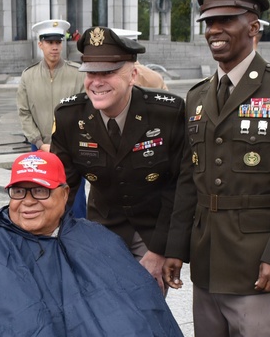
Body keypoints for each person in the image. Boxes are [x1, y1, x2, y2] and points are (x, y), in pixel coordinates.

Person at [163, 0, 270, 337]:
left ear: (253, 27)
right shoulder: (198, 96)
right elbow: (190, 179)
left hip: (256, 262)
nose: (214, 30)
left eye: (225, 20)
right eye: (209, 22)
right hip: (205, 260)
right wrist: (176, 247)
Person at [0, 151, 184, 337]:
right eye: (19, 191)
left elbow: (141, 309)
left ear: (64, 194)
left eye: (40, 190)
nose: (27, 201)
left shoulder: (96, 238)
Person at [51, 26, 192, 294]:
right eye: (91, 73)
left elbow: (180, 187)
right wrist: (60, 243)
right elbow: (63, 190)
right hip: (102, 226)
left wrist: (160, 250)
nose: (97, 81)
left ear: (133, 75)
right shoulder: (70, 116)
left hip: (152, 229)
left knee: (146, 311)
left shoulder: (167, 113)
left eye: (109, 72)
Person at [16, 19, 87, 218]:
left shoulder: (77, 74)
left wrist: (72, 142)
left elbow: (85, 111)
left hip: (72, 149)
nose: (54, 47)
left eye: (58, 42)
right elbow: (24, 112)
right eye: (49, 42)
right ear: (41, 44)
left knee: (75, 199)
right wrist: (39, 143)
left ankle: (77, 237)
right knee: (41, 196)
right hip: (40, 148)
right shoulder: (28, 77)